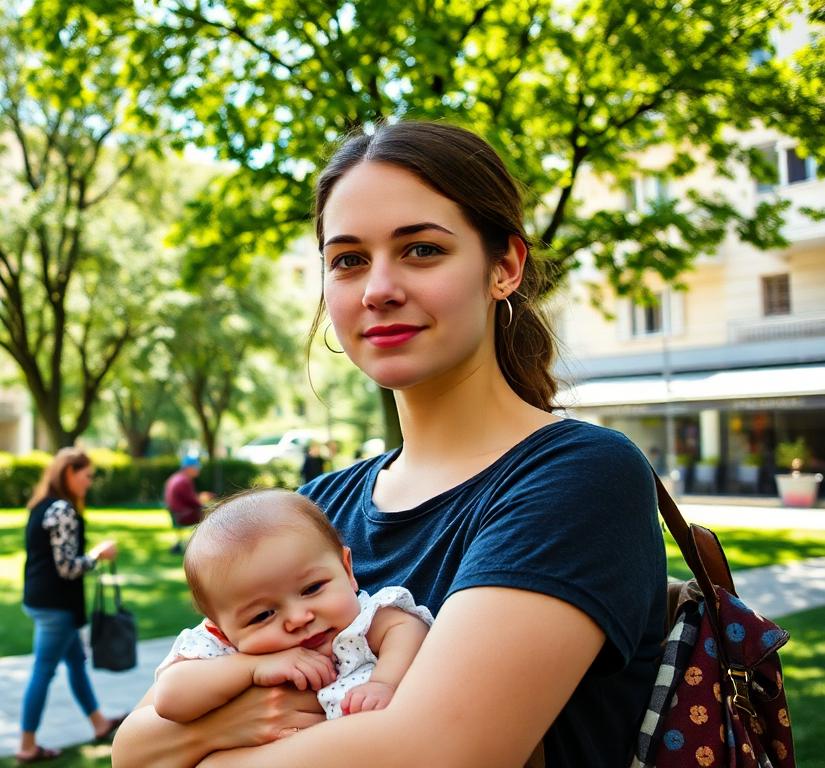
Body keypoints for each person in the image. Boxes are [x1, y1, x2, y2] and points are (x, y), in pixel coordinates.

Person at [111, 121, 667, 767]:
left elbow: (440, 752)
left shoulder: (576, 476)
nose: (378, 289)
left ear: (505, 268)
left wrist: (198, 748)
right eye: (348, 260)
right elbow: (130, 746)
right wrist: (199, 732)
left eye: (422, 250)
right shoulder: (313, 506)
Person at [152, 489, 431, 724]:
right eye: (262, 615)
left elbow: (407, 628)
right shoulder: (224, 652)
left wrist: (383, 683)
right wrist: (252, 668)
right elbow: (168, 697)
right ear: (220, 631)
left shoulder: (360, 626)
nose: (298, 618)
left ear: (347, 571)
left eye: (312, 588)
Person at [17, 448, 125, 763]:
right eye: (87, 476)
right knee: (43, 672)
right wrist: (97, 555)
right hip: (56, 606)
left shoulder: (41, 505)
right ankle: (26, 745)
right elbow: (67, 567)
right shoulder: (62, 509)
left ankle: (99, 723)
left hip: (41, 599)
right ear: (69, 473)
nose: (89, 483)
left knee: (76, 663)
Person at [164, 455, 210, 555]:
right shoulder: (184, 481)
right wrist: (206, 501)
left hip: (176, 514)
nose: (198, 469)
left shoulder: (176, 478)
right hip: (184, 516)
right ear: (189, 468)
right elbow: (195, 503)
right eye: (196, 467)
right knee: (213, 514)